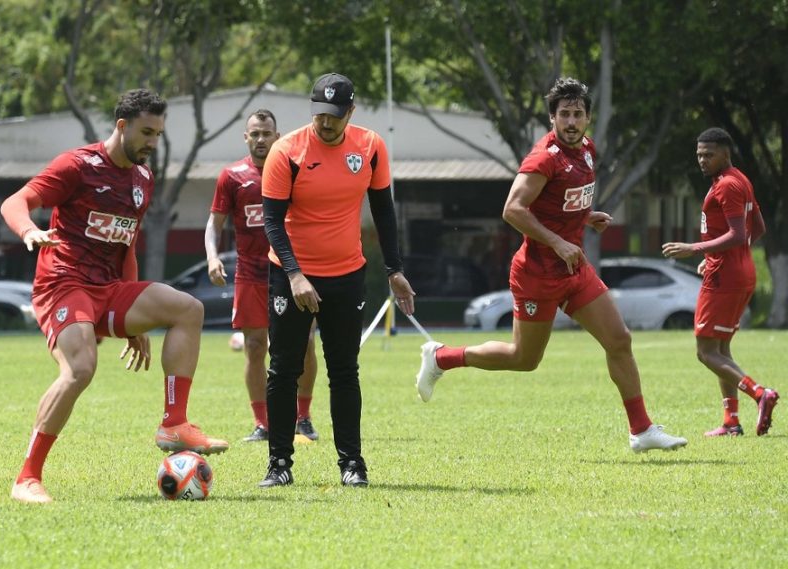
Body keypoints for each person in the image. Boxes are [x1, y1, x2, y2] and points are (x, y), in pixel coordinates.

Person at [415, 77, 688, 453]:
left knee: (619, 340)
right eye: (564, 115)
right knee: (524, 359)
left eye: (578, 114)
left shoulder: (588, 150)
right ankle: (441, 357)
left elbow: (559, 201)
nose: (572, 122)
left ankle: (641, 431)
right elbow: (512, 209)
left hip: (573, 268)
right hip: (537, 274)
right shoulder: (544, 157)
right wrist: (558, 241)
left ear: (588, 117)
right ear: (552, 119)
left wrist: (585, 215)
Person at [1, 88, 228, 504]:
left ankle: (173, 424)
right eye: (146, 132)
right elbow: (17, 201)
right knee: (80, 369)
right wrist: (29, 230)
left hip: (108, 288)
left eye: (158, 135)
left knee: (188, 309)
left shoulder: (142, 179)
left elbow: (127, 247)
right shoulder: (77, 165)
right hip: (64, 284)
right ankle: (27, 478)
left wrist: (133, 322)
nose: (152, 143)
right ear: (121, 126)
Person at [258, 72, 416, 487]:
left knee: (344, 370)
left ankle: (352, 464)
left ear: (351, 112)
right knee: (283, 370)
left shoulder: (370, 147)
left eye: (334, 116)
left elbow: (383, 211)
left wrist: (394, 270)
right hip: (290, 275)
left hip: (347, 275)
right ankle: (279, 464)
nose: (324, 124)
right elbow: (272, 222)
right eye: (319, 115)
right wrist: (294, 275)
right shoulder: (286, 151)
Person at [205, 109, 320, 443]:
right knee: (255, 347)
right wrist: (212, 257)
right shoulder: (232, 176)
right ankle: (263, 423)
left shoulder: (293, 171)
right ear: (246, 137)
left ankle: (303, 417)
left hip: (292, 272)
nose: (260, 139)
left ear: (277, 135)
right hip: (250, 275)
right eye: (254, 134)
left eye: (266, 133)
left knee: (305, 344)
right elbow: (214, 224)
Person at [662, 127, 778, 436]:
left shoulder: (726, 186)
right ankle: (731, 421)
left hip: (724, 278)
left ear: (726, 153)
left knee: (705, 352)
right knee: (721, 349)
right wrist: (725, 255)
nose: (702, 159)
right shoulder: (740, 179)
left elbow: (738, 234)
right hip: (738, 272)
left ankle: (759, 393)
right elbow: (758, 229)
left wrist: (695, 249)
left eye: (709, 154)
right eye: (699, 154)